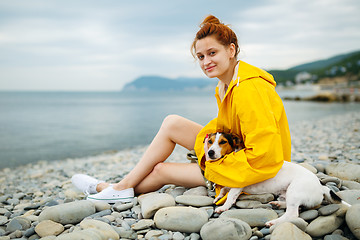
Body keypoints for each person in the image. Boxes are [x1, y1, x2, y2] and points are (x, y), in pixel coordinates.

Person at [71, 15, 291, 203]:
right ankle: (120, 186)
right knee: (172, 123)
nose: (206, 62)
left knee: (161, 170)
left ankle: (109, 188)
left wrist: (212, 162)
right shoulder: (226, 84)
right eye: (201, 57)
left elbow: (265, 155)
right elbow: (233, 126)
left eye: (212, 53)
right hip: (238, 150)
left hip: (258, 170)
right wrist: (208, 143)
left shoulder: (249, 87)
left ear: (231, 50)